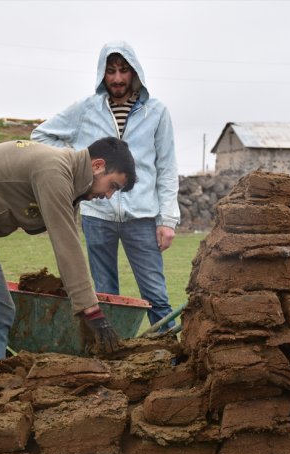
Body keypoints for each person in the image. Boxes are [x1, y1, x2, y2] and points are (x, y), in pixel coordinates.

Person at [0, 137, 136, 406]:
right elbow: (66, 244)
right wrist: (92, 312)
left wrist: (86, 305)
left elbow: (70, 241)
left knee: (1, 309)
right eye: (112, 185)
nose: (108, 195)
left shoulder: (68, 183)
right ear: (98, 165)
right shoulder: (55, 171)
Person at [31, 40, 180, 330]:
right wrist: (76, 165)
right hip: (97, 215)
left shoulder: (157, 112)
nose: (117, 78)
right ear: (102, 73)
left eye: (124, 70)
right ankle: (113, 359)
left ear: (135, 71)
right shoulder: (87, 108)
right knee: (105, 295)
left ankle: (171, 357)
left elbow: (167, 167)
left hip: (143, 216)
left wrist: (168, 219)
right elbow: (40, 136)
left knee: (156, 295)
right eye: (110, 71)